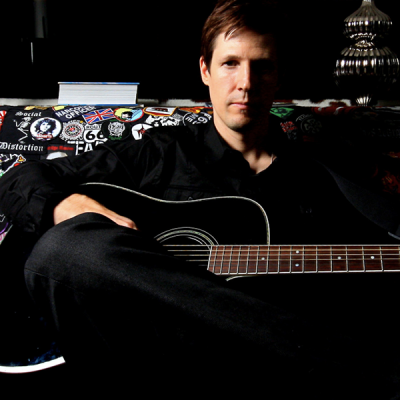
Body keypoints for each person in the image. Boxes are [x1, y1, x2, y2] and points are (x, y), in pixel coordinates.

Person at [1, 0, 400, 397]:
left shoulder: (319, 178)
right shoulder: (159, 152)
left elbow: (361, 288)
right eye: (230, 64)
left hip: (242, 365)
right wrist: (66, 206)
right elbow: (18, 178)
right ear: (205, 70)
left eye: (262, 66)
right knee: (64, 251)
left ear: (279, 76)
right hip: (134, 345)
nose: (246, 83)